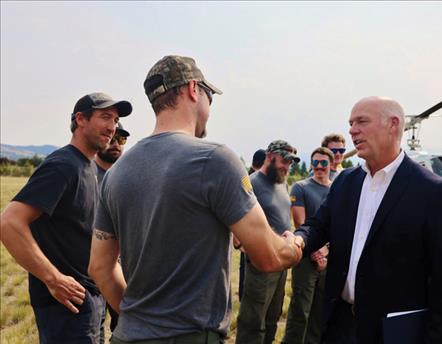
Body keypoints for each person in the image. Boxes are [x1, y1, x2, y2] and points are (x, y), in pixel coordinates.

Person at [87, 55, 302, 344]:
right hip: (190, 335)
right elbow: (269, 256)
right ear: (193, 89)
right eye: (209, 96)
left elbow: (100, 267)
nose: (210, 107)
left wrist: (138, 320)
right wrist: (295, 245)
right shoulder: (214, 159)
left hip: (127, 335)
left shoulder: (116, 173)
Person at [294, 96, 442, 344]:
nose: (352, 130)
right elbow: (318, 226)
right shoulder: (345, 182)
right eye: (351, 123)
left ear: (393, 125)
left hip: (393, 333)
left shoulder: (431, 192)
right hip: (340, 327)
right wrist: (297, 240)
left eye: (361, 121)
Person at [0, 92, 132, 344]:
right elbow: (9, 223)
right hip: (66, 306)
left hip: (90, 301)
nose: (112, 127)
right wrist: (54, 278)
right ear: (80, 119)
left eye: (115, 120)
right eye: (105, 117)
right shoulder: (63, 165)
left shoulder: (89, 167)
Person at [235, 139, 300, 344]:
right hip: (260, 264)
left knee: (272, 318)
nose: (287, 167)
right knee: (253, 322)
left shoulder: (282, 184)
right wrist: (242, 244)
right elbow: (235, 218)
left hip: (280, 263)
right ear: (270, 157)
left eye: (291, 163)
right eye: (284, 161)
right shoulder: (251, 183)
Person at [282, 147, 333, 344]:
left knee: (319, 313)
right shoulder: (300, 187)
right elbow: (301, 224)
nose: (319, 167)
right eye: (315, 163)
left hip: (328, 259)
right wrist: (316, 252)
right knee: (300, 311)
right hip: (305, 257)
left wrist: (326, 253)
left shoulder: (336, 189)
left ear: (330, 165)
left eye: (323, 163)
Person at [94, 121, 130, 332]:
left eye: (122, 139)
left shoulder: (127, 177)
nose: (116, 144)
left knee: (122, 328)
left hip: (123, 270)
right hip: (93, 268)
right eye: (113, 138)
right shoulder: (86, 172)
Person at [237, 148, 267, 302]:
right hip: (249, 233)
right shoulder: (250, 181)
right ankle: (244, 297)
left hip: (251, 234)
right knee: (247, 268)